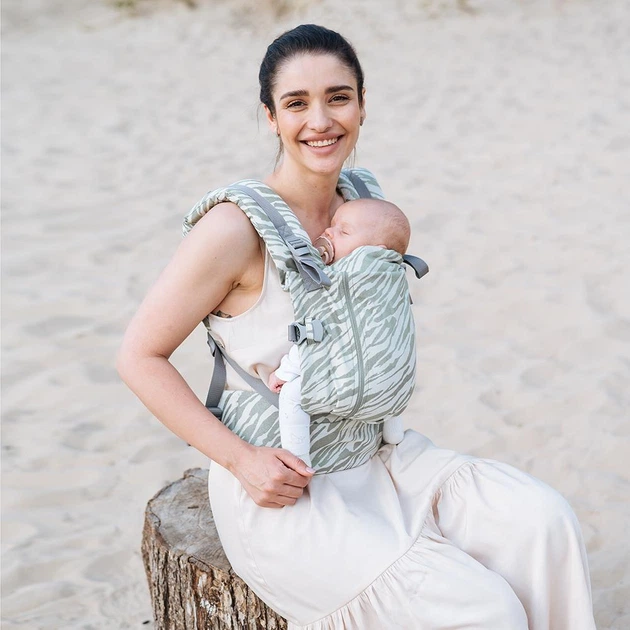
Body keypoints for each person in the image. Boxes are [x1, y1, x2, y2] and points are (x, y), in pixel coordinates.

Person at [118, 23, 596, 629]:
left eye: (338, 97)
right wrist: (240, 461)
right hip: (286, 486)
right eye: (297, 103)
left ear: (362, 105)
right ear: (271, 117)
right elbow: (138, 357)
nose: (320, 120)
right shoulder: (233, 229)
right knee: (483, 609)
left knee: (543, 522)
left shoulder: (365, 205)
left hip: (377, 454)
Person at [268, 197, 411, 467]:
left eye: (343, 232)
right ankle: (394, 434)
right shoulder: (391, 280)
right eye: (332, 225)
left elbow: (320, 339)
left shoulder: (343, 283)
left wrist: (285, 372)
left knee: (292, 395)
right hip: (392, 385)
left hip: (353, 383)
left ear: (374, 252)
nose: (328, 232)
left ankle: (298, 459)